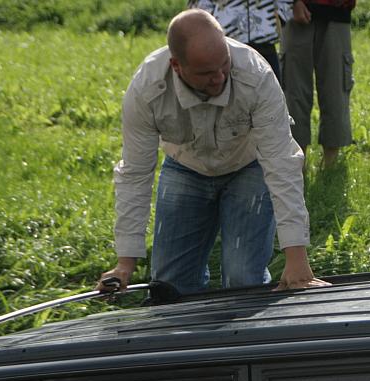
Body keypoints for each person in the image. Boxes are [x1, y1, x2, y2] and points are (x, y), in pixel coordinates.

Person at [99, 9, 328, 294]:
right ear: (176, 66)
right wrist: (125, 264)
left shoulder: (256, 75)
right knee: (169, 287)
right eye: (206, 73)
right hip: (185, 167)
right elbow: (135, 175)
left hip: (249, 165)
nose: (219, 77)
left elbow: (282, 162)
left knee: (244, 279)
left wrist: (297, 259)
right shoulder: (147, 89)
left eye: (224, 65)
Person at [281, 0, 356, 169]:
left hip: (337, 13)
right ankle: (297, 160)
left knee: (335, 87)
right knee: (294, 89)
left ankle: (331, 162)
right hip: (294, 13)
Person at [187, 0, 288, 77]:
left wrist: (289, 10)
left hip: (265, 42)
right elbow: (197, 5)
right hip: (227, 44)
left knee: (271, 95)